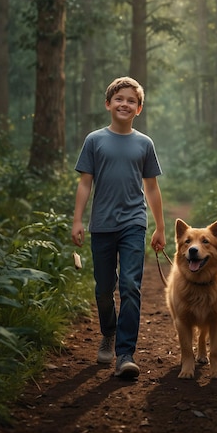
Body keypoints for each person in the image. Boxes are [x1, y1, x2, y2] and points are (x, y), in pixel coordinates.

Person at [71, 76, 166, 379]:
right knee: (103, 288)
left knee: (130, 286)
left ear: (139, 108)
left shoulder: (144, 144)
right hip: (101, 226)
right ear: (108, 103)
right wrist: (77, 220)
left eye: (131, 100)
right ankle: (108, 333)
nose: (125, 104)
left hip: (133, 225)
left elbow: (151, 188)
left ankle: (125, 353)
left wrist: (160, 227)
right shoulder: (94, 140)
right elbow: (85, 183)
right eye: (119, 98)